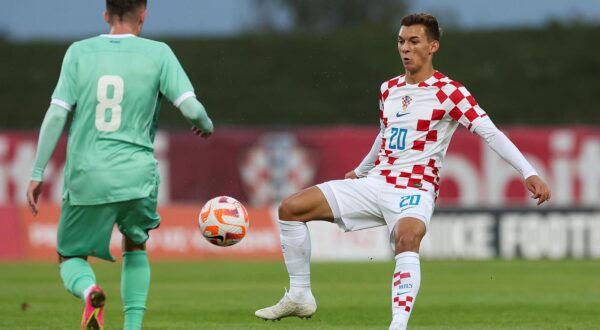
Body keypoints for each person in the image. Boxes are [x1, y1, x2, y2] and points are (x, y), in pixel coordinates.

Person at [255, 12, 551, 330]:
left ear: (433, 46)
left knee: (407, 238)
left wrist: (528, 172)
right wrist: (362, 169)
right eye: (400, 41)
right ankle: (300, 295)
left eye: (413, 41)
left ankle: (397, 325)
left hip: (415, 188)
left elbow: (490, 133)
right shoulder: (389, 89)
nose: (405, 48)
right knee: (290, 208)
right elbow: (385, 134)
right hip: (377, 181)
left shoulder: (450, 92)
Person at [26, 1, 213, 329]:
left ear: (105, 15)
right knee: (135, 242)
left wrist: (37, 172)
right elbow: (193, 110)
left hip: (86, 174)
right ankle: (132, 327)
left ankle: (89, 291)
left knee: (69, 257)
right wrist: (206, 125)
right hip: (136, 174)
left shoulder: (79, 52)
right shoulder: (159, 53)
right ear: (143, 14)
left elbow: (57, 113)